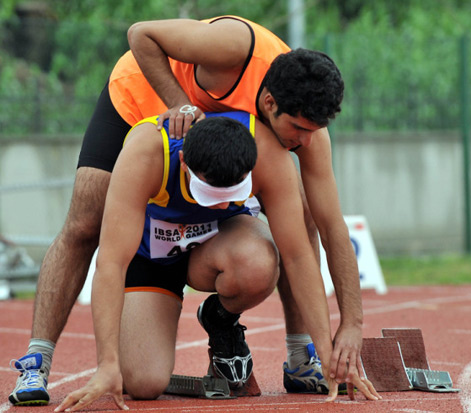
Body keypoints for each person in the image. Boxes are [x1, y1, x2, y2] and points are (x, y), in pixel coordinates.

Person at [9, 15, 365, 405]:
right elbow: (141, 34)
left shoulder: (297, 133)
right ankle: (36, 361)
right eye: (299, 130)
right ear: (268, 103)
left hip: (220, 158)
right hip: (147, 101)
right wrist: (181, 104)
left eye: (312, 132)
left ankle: (299, 356)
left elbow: (326, 232)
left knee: (302, 217)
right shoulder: (233, 48)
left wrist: (349, 327)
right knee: (85, 223)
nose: (305, 142)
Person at [50, 112, 379, 411]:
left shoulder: (266, 153)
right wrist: (107, 363)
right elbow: (110, 263)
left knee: (259, 263)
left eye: (230, 195)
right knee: (143, 384)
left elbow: (297, 257)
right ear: (183, 163)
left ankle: (221, 320)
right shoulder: (146, 153)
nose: (220, 206)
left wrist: (326, 356)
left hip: (219, 246)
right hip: (152, 255)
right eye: (210, 195)